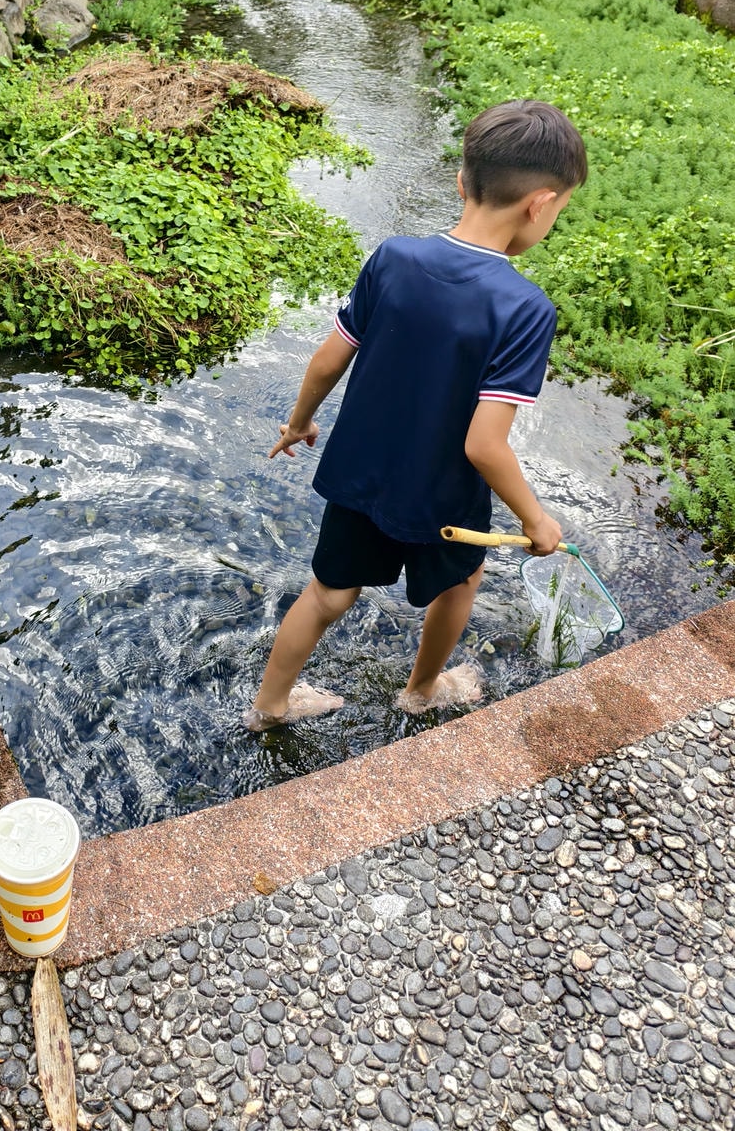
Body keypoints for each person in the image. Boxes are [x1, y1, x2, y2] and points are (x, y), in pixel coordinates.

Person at [247, 99, 588, 730]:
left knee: (327, 593)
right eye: (559, 209)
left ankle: (269, 706)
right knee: (460, 585)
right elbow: (485, 447)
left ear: (463, 182)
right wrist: (536, 520)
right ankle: (423, 689)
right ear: (541, 204)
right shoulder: (524, 308)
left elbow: (329, 358)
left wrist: (299, 422)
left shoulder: (394, 257)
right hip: (445, 501)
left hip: (361, 476)